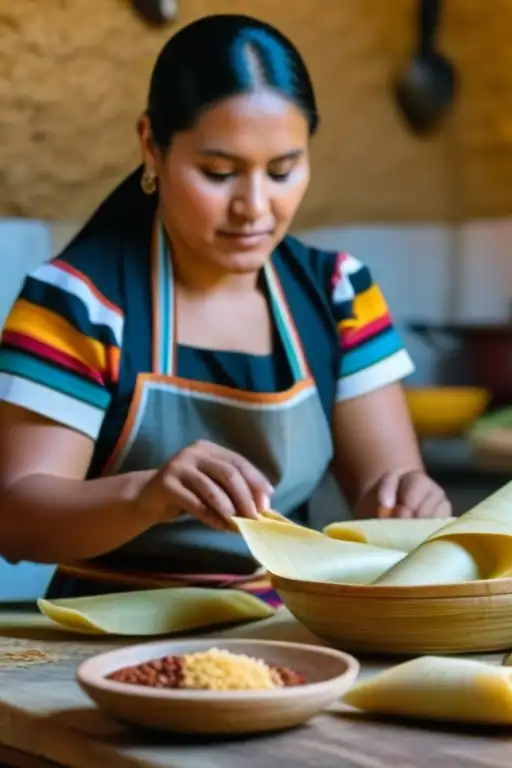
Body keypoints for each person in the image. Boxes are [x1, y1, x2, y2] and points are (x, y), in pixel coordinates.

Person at [0, 14, 451, 606]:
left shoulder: (339, 294)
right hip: (101, 640)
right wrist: (146, 495)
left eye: (284, 170)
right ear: (150, 147)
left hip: (290, 635)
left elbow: (381, 498)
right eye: (220, 173)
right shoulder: (80, 303)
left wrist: (411, 502)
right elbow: (16, 517)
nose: (255, 207)